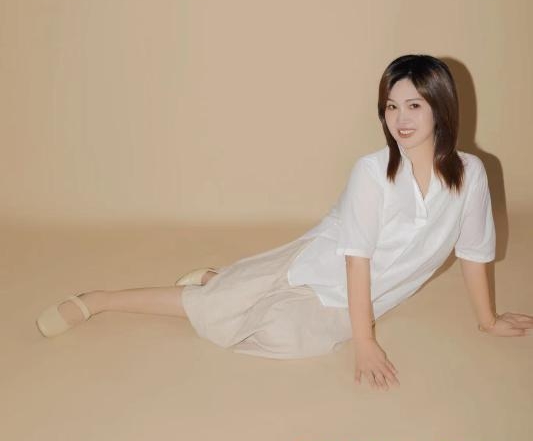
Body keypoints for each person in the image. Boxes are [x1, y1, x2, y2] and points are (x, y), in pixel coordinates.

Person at [36, 54, 533, 390]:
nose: (400, 119)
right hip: (320, 268)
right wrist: (364, 342)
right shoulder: (371, 172)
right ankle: (100, 299)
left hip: (361, 299)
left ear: (441, 108)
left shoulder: (471, 174)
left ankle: (218, 278)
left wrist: (487, 321)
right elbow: (355, 260)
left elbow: (474, 252)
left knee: (284, 339)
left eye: (414, 106)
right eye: (391, 106)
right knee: (217, 311)